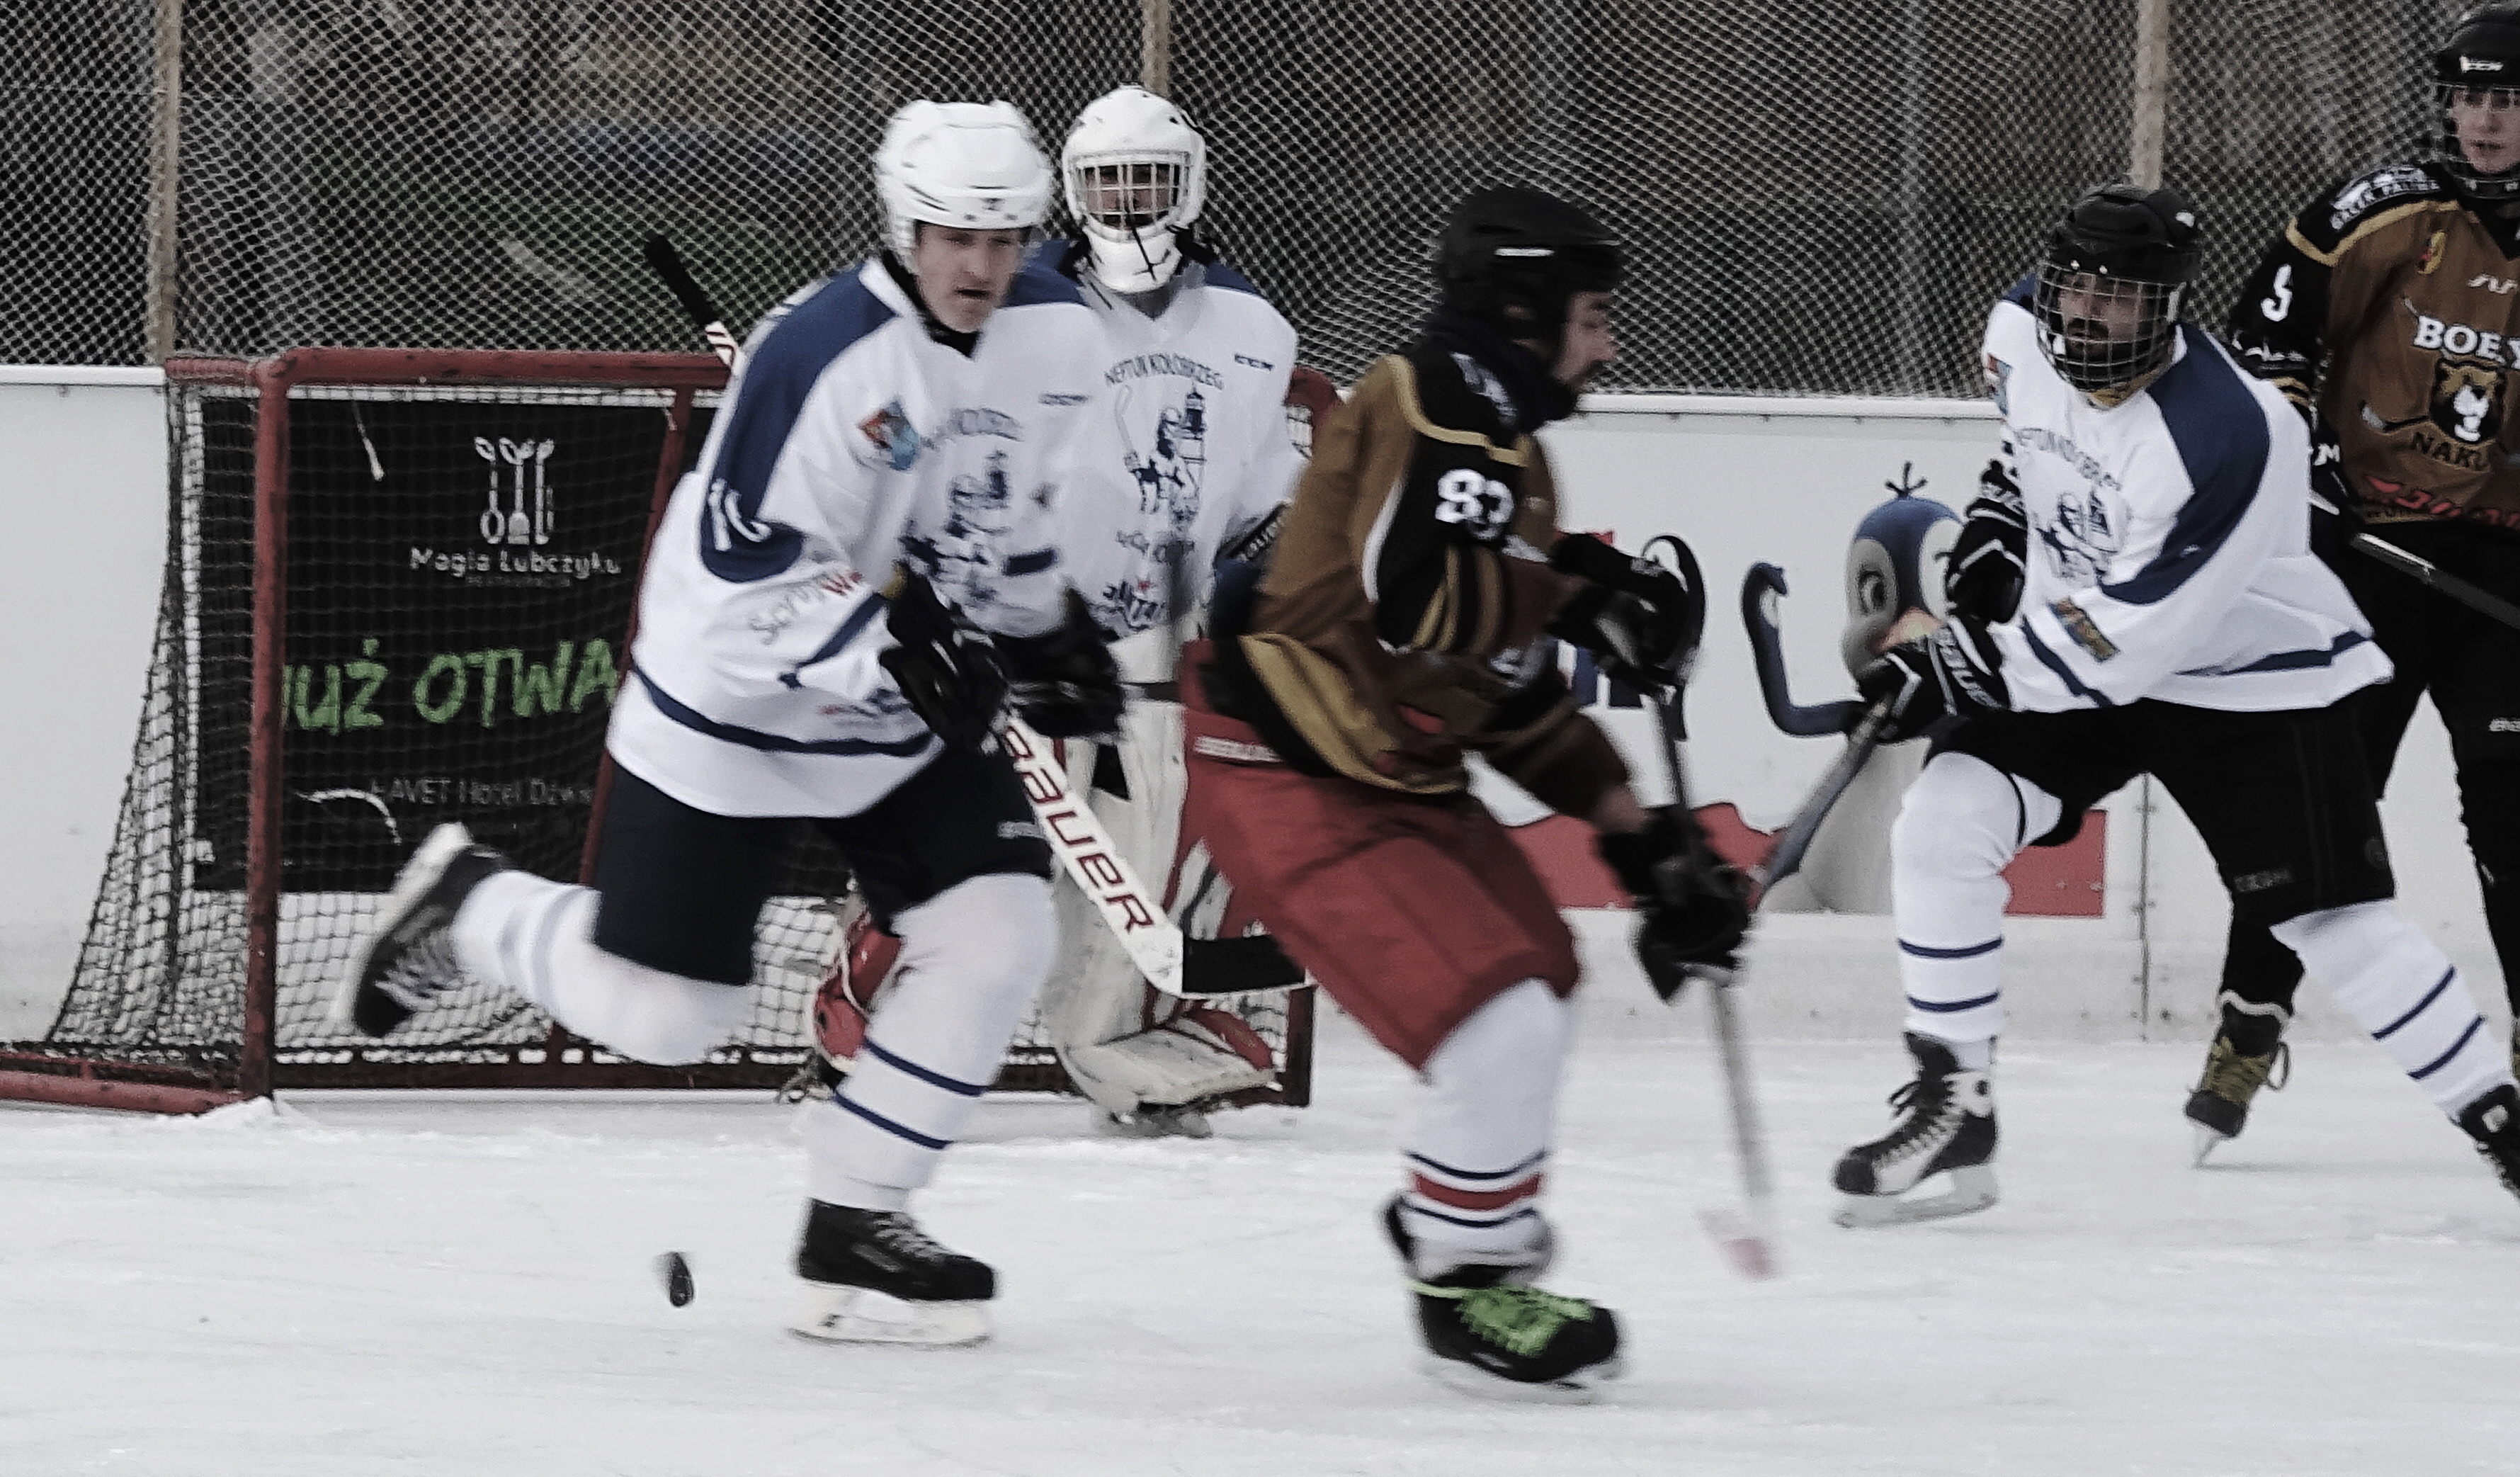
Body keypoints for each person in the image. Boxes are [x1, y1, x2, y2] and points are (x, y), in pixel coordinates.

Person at [331, 99, 1123, 1347]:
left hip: (893, 720)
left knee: (999, 931)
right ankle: (468, 905)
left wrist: (1041, 628)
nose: (978, 265)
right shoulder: (820, 355)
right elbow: (744, 577)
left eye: (1004, 236)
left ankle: (858, 1213)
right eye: (951, 236)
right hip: (737, 708)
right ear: (902, 226)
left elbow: (1006, 503)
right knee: (667, 1020)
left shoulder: (1056, 336)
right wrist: (896, 644)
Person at [1832, 181, 2520, 1227]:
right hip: (2077, 649)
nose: (2086, 315)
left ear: (2168, 308)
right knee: (1942, 820)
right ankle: (1954, 1100)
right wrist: (1991, 523)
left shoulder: (2225, 434)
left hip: (2241, 678)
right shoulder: (2019, 325)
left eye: (2118, 300)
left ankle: (2498, 1123)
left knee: (2330, 922)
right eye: (2075, 289)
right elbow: (2031, 450)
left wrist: (1955, 664)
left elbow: (2121, 642)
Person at [1180, 185, 1750, 1401]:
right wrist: (1581, 595)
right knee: (1502, 1019)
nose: (1605, 345)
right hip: (1285, 765)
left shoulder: (1510, 455)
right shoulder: (1437, 394)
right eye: (1592, 318)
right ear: (1519, 310)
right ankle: (1462, 1287)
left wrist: (1640, 839)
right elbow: (1415, 595)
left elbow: (1501, 691)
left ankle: (1458, 1221)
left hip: (1391, 774)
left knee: (1541, 969)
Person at [805, 85, 1310, 1137]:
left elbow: (1260, 498)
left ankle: (1115, 1041)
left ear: (1190, 184)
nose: (1128, 202)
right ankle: (867, 1018)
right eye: (1106, 180)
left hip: (1158, 640)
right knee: (976, 839)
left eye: (1149, 179)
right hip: (1021, 622)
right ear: (1073, 195)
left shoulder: (1254, 328)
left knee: (1139, 846)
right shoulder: (1023, 310)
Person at [2192, 1, 2520, 1153]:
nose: (2483, 119)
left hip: (2500, 573)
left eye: (2508, 99)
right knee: (2317, 800)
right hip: (2368, 558)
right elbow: (2265, 342)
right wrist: (2303, 465)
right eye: (2470, 96)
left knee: (2511, 807)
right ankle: (2247, 1017)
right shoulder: (2382, 210)